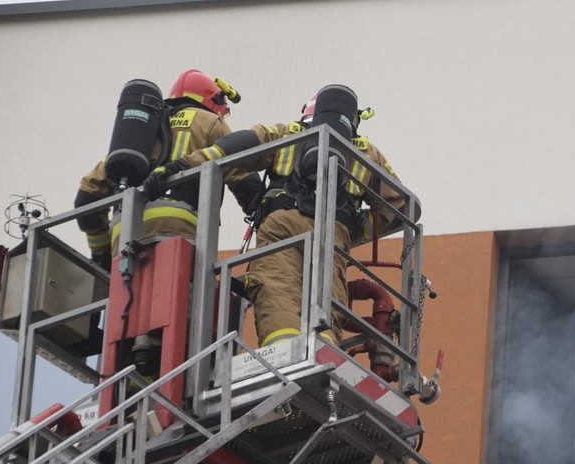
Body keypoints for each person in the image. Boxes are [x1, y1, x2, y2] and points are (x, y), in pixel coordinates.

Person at [143, 84, 405, 346]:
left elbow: (232, 150)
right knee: (326, 299)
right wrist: (354, 231)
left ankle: (282, 352)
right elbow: (402, 207)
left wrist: (182, 165)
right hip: (333, 235)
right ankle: (322, 353)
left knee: (275, 289)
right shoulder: (367, 153)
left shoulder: (286, 133)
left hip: (282, 224)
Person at [74, 69, 261, 269]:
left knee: (131, 298)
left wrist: (103, 256)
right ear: (214, 102)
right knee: (180, 294)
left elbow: (87, 197)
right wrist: (264, 218)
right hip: (179, 227)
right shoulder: (210, 122)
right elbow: (243, 176)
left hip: (125, 231)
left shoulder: (140, 131)